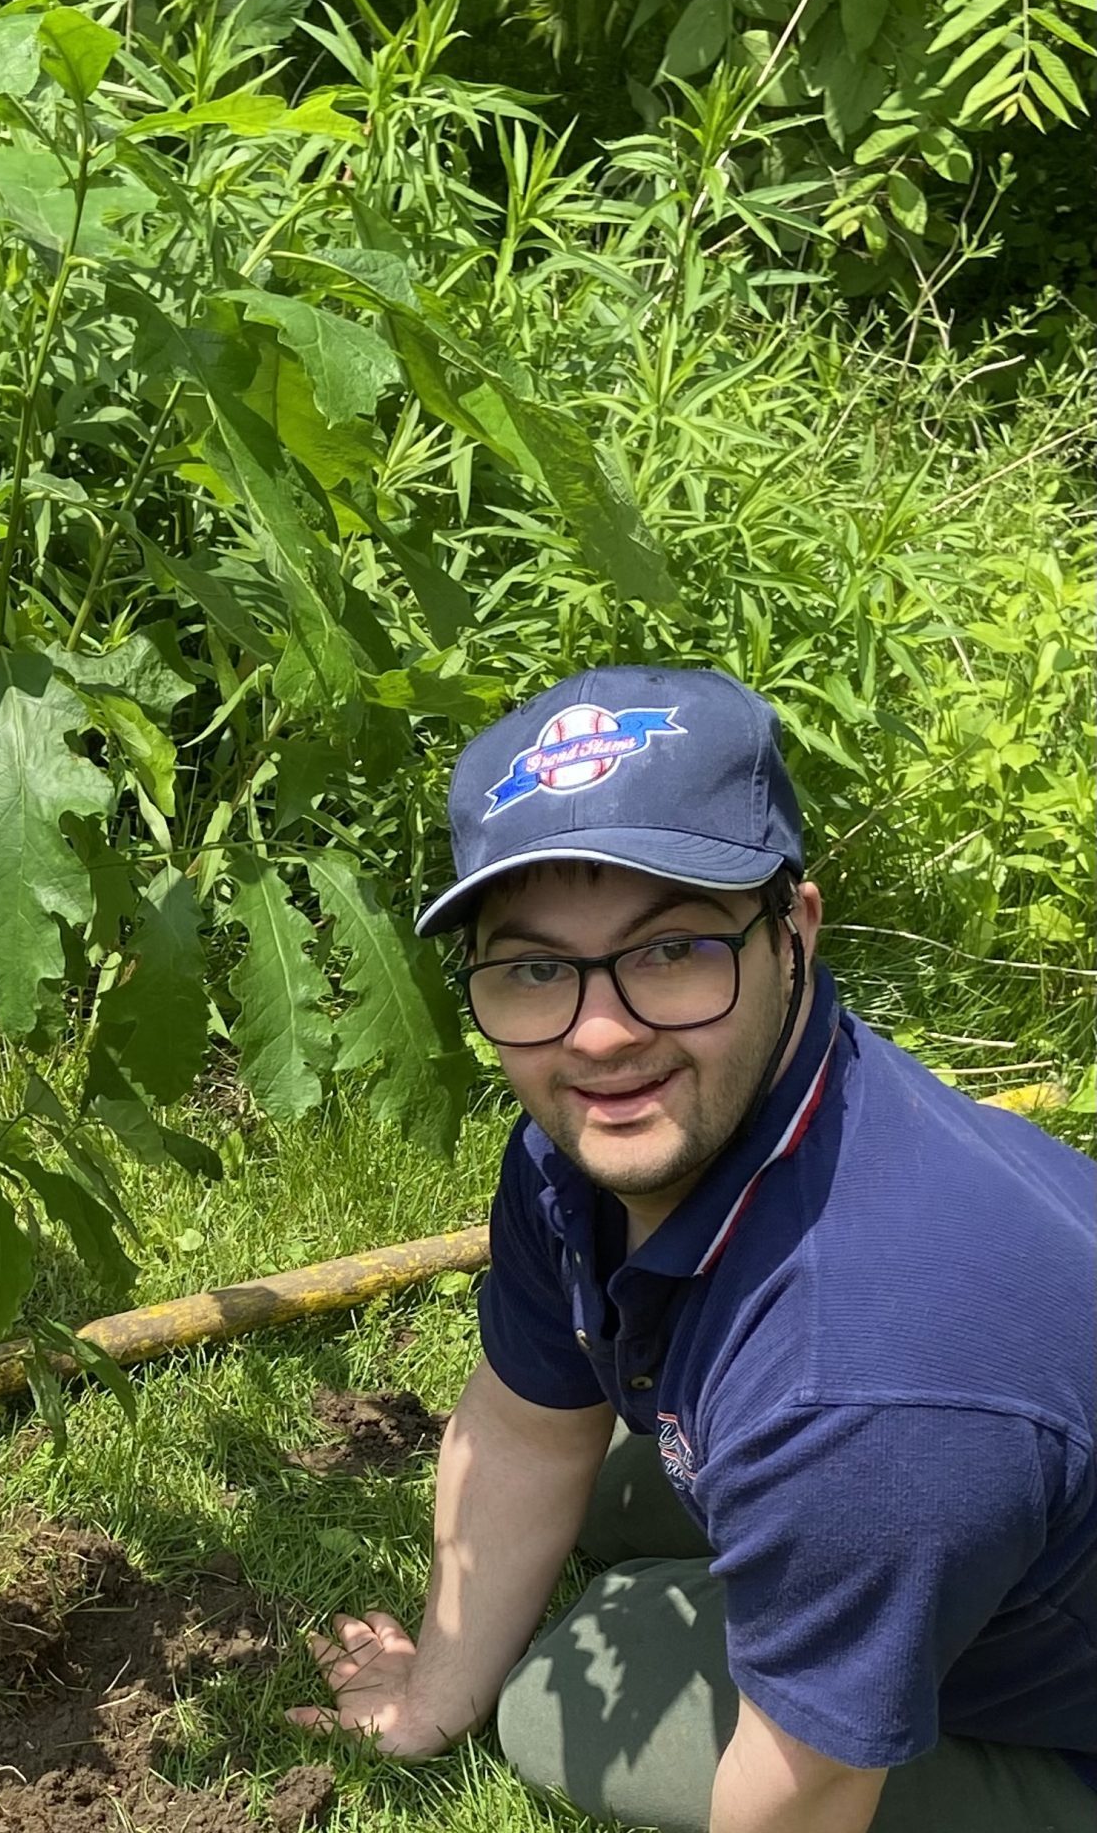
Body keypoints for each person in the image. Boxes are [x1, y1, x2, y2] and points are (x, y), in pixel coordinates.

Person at [292, 666, 1097, 1833]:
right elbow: (526, 1421)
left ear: (793, 934)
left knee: (564, 1697)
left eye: (670, 950)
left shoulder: (861, 1388)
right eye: (534, 969)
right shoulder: (577, 1154)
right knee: (628, 1491)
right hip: (941, 1455)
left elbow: (805, 1795)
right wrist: (426, 1700)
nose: (602, 1035)